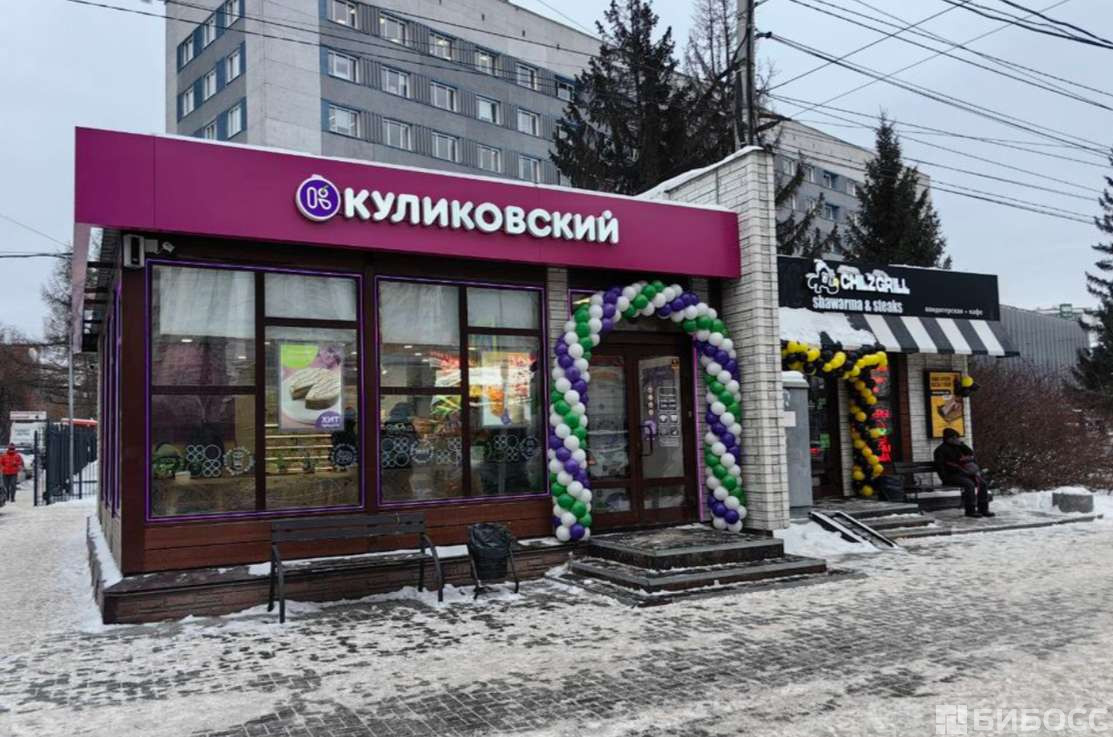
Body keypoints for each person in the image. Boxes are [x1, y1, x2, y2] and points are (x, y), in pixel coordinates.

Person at [933, 428, 994, 518]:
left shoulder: (958, 447)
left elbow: (970, 453)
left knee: (982, 483)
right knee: (969, 485)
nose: (956, 439)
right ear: (948, 438)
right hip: (951, 475)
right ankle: (970, 510)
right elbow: (940, 466)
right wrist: (945, 478)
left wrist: (962, 445)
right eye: (954, 438)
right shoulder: (940, 450)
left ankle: (983, 509)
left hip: (964, 474)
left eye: (957, 438)